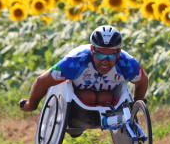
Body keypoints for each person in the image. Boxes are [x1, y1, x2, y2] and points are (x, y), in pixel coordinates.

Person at [20, 25, 148, 112]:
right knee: (89, 97)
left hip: (108, 99)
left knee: (105, 97)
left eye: (110, 56)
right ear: (92, 50)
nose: (105, 61)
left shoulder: (126, 62)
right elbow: (42, 81)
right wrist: (31, 105)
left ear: (118, 53)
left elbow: (143, 80)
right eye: (100, 54)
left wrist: (137, 103)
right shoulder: (76, 61)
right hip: (79, 99)